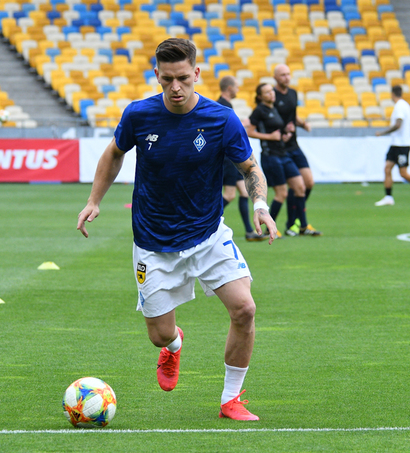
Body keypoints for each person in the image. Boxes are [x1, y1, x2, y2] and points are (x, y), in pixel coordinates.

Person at [77, 38, 276, 421]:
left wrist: (260, 206)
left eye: (183, 78)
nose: (176, 87)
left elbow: (250, 168)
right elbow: (114, 153)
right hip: (153, 243)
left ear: (196, 73)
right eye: (167, 79)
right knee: (159, 335)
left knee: (245, 309)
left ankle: (231, 399)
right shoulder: (138, 115)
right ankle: (173, 345)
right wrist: (93, 200)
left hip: (208, 236)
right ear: (156, 75)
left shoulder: (221, 119)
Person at [246, 83, 315, 237]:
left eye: (271, 90)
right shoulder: (259, 110)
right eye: (267, 92)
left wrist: (285, 134)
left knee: (300, 187)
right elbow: (249, 131)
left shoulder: (274, 109)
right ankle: (268, 229)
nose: (271, 94)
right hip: (271, 156)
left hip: (283, 154)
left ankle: (303, 226)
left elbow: (276, 132)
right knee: (281, 193)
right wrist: (269, 137)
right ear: (260, 97)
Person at [273, 64, 322, 236]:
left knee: (308, 183)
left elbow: (292, 115)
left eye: (288, 74)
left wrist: (302, 124)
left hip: (294, 145)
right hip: (280, 148)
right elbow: (269, 118)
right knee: (296, 186)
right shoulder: (272, 95)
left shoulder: (293, 93)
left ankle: (295, 221)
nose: (286, 77)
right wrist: (281, 133)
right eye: (283, 75)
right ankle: (294, 224)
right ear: (275, 77)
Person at [217, 76, 267, 242]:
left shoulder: (223, 105)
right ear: (229, 88)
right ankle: (205, 218)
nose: (238, 89)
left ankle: (249, 231)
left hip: (229, 158)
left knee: (244, 192)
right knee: (230, 194)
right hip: (228, 158)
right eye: (236, 86)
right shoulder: (224, 105)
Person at [374, 85, 410, 206]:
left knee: (403, 173)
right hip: (396, 144)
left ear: (392, 94)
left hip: (401, 145)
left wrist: (382, 133)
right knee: (387, 168)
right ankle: (388, 197)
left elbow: (398, 124)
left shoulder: (399, 106)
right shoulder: (406, 106)